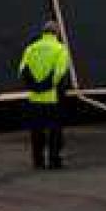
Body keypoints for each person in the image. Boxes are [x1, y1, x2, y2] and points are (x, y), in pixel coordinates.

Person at [17, 21, 72, 170]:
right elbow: (59, 73)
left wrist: (35, 87)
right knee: (55, 130)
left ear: (43, 32)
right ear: (57, 33)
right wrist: (46, 86)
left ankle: (38, 161)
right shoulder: (60, 49)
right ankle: (54, 161)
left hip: (34, 97)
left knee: (36, 131)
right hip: (52, 98)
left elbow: (22, 70)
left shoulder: (31, 48)